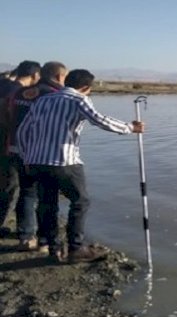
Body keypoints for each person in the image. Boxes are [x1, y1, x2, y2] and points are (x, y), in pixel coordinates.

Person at [17, 69, 145, 263]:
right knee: (80, 201)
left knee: (47, 203)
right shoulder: (79, 100)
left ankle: (53, 247)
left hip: (37, 161)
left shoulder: (42, 100)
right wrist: (130, 128)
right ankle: (76, 248)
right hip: (65, 161)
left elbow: (23, 130)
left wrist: (27, 157)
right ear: (86, 87)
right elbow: (100, 120)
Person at [11, 62, 68, 251]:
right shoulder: (54, 95)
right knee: (46, 197)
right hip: (42, 153)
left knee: (27, 191)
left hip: (16, 147)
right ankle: (45, 241)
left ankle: (26, 236)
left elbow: (8, 115)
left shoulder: (20, 92)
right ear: (59, 76)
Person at [0, 61, 41, 236]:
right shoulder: (16, 92)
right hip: (7, 145)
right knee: (10, 187)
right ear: (34, 76)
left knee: (6, 186)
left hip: (6, 144)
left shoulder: (6, 86)